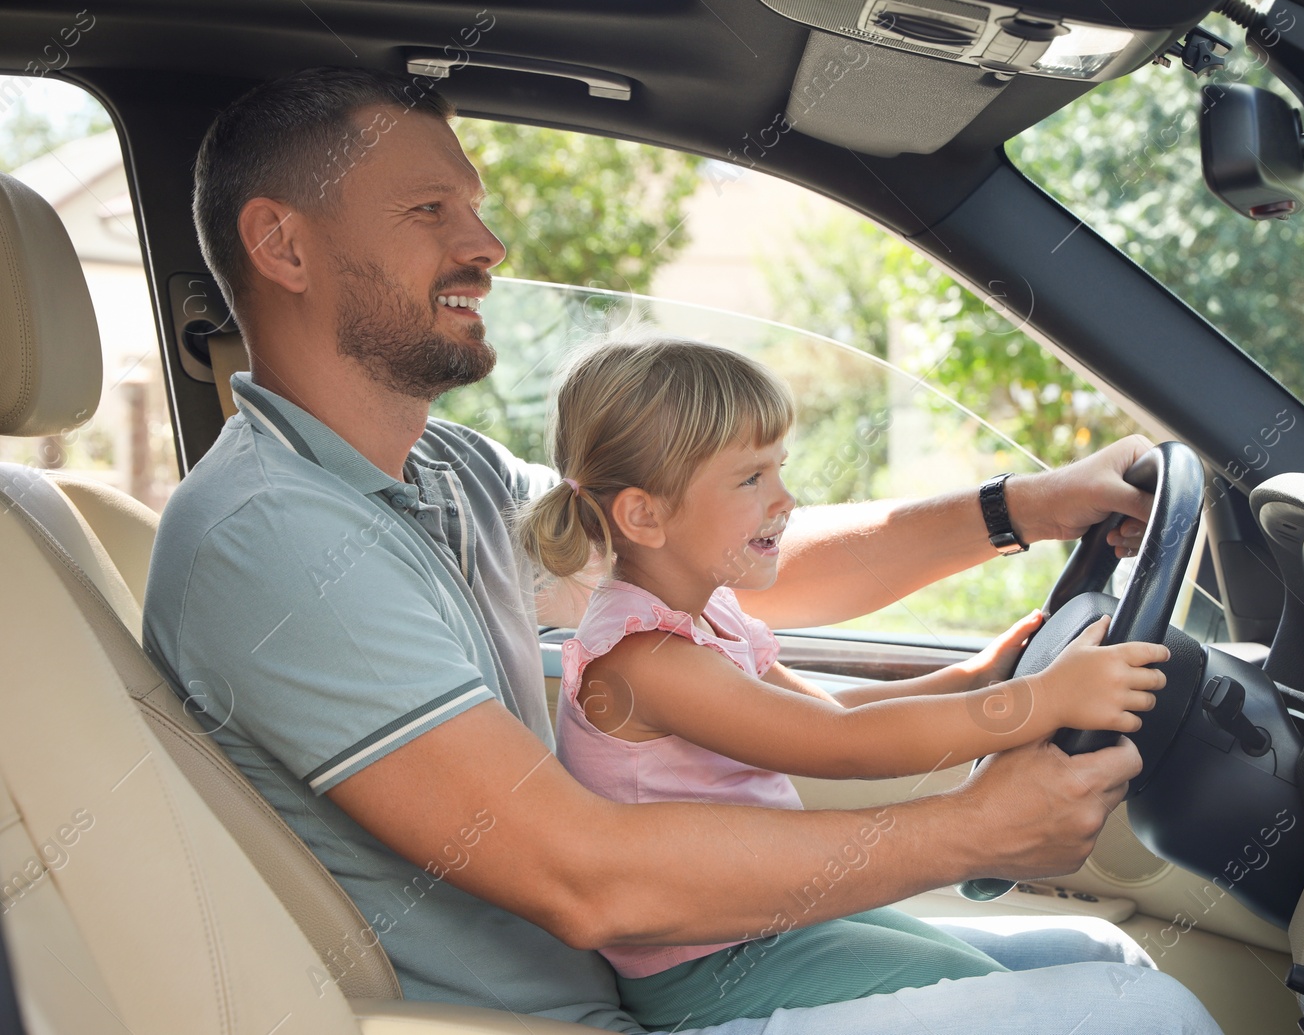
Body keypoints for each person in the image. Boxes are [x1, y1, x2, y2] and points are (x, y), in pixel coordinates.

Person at [143, 64, 1223, 1034]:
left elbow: (695, 556)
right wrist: (972, 827)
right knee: (1149, 1009)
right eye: (429, 210)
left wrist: (1021, 507)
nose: (485, 245)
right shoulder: (271, 535)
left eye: (473, 206)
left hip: (627, 983)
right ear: (283, 244)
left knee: (1100, 958)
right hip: (561, 1012)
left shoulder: (443, 470)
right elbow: (587, 877)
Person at [517, 335, 1173, 1029]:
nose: (786, 499)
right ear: (645, 515)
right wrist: (1040, 700)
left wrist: (976, 676)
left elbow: (826, 710)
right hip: (708, 965)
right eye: (750, 480)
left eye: (780, 470)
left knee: (1028, 972)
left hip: (772, 925)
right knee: (986, 993)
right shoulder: (645, 658)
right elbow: (841, 744)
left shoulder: (707, 611)